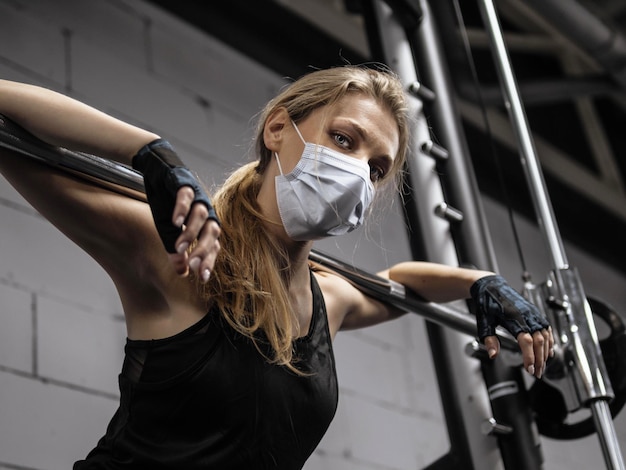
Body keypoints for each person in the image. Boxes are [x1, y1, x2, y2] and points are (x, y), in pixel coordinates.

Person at [0, 65, 553, 469]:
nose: (359, 172)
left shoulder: (328, 301)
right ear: (277, 130)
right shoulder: (185, 256)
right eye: (343, 138)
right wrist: (150, 152)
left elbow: (400, 287)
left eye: (377, 168)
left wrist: (478, 281)